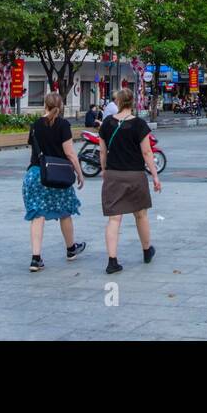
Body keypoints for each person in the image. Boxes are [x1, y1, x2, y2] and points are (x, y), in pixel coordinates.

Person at [98, 88, 160, 274]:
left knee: (114, 219)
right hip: (135, 175)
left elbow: (102, 151)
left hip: (114, 175)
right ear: (132, 102)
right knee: (141, 215)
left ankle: (112, 260)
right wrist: (155, 176)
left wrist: (104, 169)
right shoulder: (139, 125)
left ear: (117, 102)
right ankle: (147, 250)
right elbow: (147, 152)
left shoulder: (107, 123)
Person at [25, 92, 86, 270]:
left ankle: (36, 258)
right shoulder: (63, 124)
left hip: (37, 173)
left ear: (45, 105)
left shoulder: (35, 125)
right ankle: (71, 249)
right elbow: (69, 153)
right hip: (58, 174)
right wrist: (79, 173)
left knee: (38, 215)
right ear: (61, 106)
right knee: (65, 212)